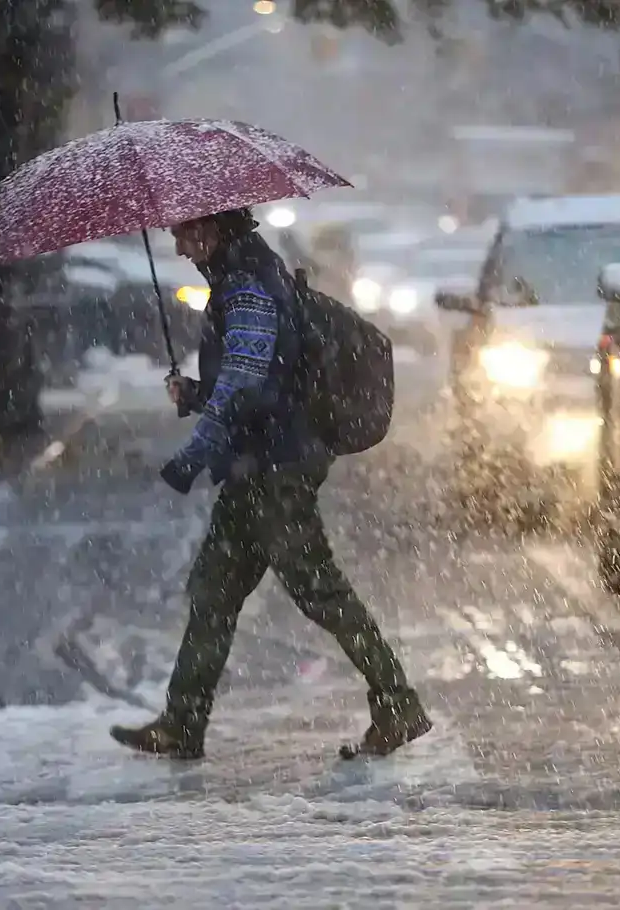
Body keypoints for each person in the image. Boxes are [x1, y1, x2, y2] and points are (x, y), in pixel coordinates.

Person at [111, 208, 431, 759]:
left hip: (274, 471)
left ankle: (398, 704)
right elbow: (252, 378)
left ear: (212, 229)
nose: (181, 248)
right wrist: (194, 395)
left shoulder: (248, 288)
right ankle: (181, 724)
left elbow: (246, 387)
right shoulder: (246, 277)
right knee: (214, 592)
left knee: (320, 592)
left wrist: (192, 454)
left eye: (185, 234)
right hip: (256, 467)